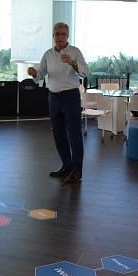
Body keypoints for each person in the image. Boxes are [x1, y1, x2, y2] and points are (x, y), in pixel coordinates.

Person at [27, 22, 89, 184]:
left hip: (70, 96)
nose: (60, 37)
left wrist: (73, 63)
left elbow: (86, 71)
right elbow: (41, 75)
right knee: (58, 134)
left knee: (74, 134)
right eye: (57, 34)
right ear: (53, 36)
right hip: (53, 97)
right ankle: (66, 166)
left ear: (68, 36)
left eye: (63, 34)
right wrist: (34, 73)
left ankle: (77, 171)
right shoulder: (48, 54)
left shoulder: (75, 52)